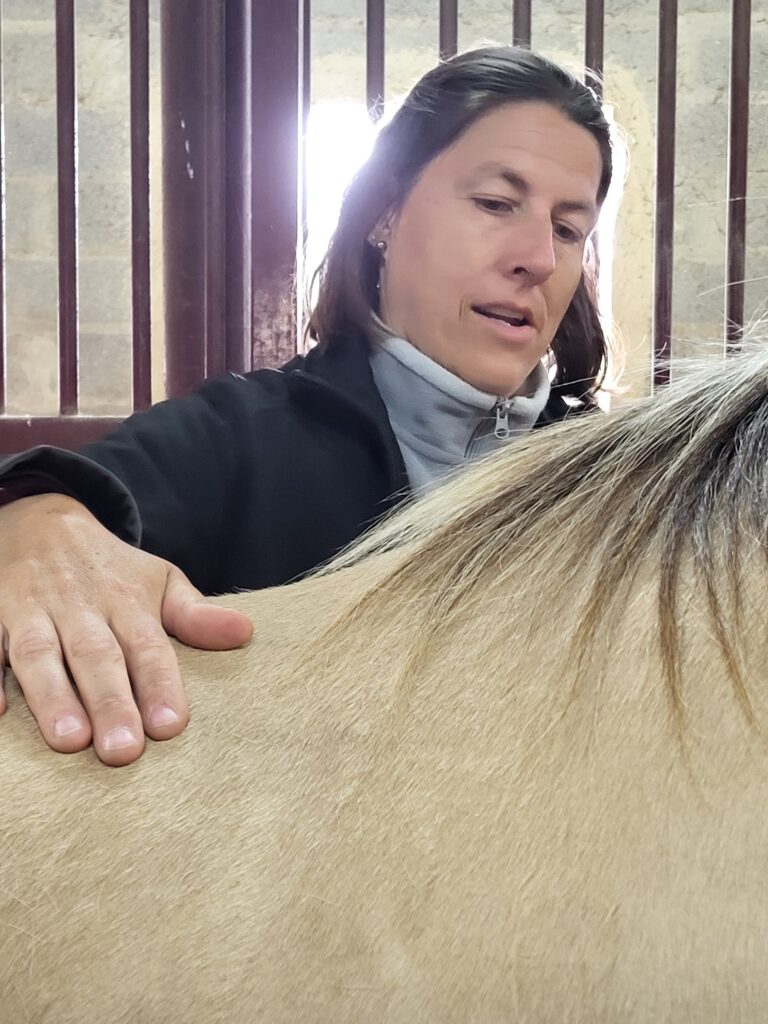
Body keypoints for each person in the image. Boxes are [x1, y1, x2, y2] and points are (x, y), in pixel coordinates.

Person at [0, 45, 614, 766]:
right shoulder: (245, 436)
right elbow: (49, 504)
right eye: (495, 203)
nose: (538, 257)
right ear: (384, 211)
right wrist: (32, 523)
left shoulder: (609, 473)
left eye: (569, 228)